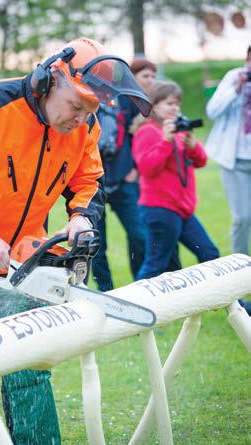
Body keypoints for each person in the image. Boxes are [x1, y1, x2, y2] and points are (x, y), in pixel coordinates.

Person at [0, 37, 150, 445]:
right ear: (51, 79)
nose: (81, 119)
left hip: (27, 261)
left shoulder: (84, 124)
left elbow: (89, 178)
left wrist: (82, 215)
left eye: (91, 111)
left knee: (29, 369)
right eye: (76, 106)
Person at [92, 58, 181, 291]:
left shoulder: (125, 98)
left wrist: (135, 168)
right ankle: (105, 291)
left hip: (123, 179)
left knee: (140, 235)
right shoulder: (86, 98)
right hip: (92, 183)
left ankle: (142, 288)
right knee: (96, 244)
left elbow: (137, 131)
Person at [132, 81, 220, 280]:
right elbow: (147, 168)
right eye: (169, 103)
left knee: (209, 254)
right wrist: (165, 141)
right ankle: (133, 308)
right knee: (156, 265)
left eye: (177, 104)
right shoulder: (147, 131)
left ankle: (236, 304)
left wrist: (191, 144)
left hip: (182, 209)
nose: (175, 108)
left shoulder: (176, 130)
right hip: (160, 209)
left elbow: (201, 161)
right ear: (153, 105)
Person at [205, 45, 251, 257]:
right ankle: (242, 270)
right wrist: (237, 89)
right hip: (236, 161)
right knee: (242, 217)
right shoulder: (234, 77)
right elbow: (212, 110)